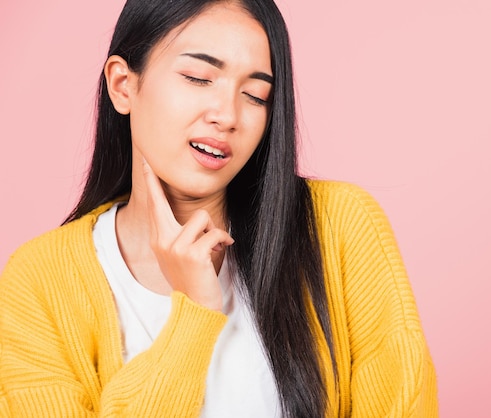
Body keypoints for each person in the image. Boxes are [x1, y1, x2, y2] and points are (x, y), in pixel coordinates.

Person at [0, 0, 438, 416]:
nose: (227, 115)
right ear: (122, 85)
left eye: (255, 95)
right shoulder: (39, 279)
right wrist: (194, 314)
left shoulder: (339, 226)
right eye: (197, 77)